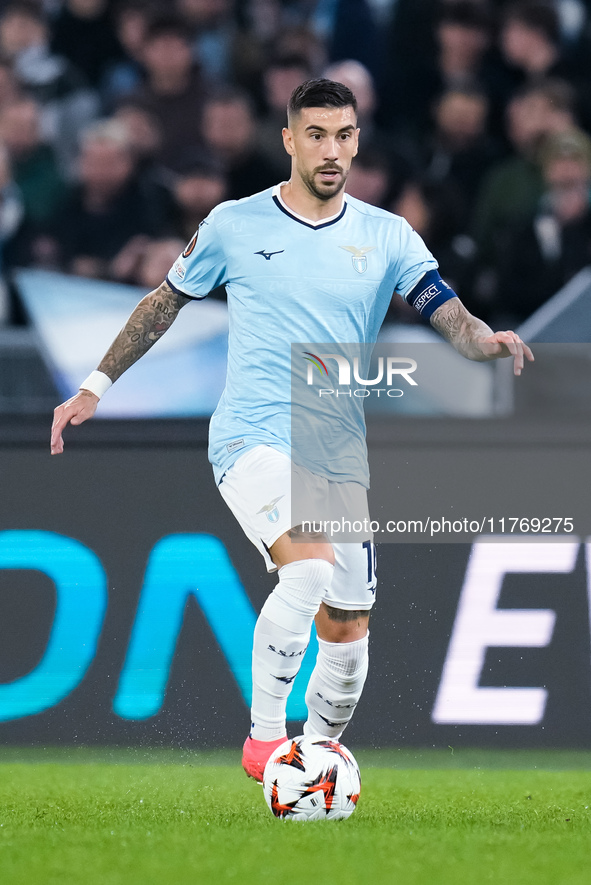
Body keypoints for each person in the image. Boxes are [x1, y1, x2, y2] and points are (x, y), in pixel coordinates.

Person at [50, 79, 533, 782]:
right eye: (315, 134)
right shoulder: (234, 224)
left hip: (334, 451)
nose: (330, 149)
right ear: (288, 139)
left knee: (347, 621)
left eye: (342, 135)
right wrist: (95, 386)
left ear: (357, 140)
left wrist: (483, 341)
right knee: (306, 565)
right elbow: (164, 302)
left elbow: (445, 311)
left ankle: (317, 752)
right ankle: (264, 740)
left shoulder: (386, 233)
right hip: (250, 436)